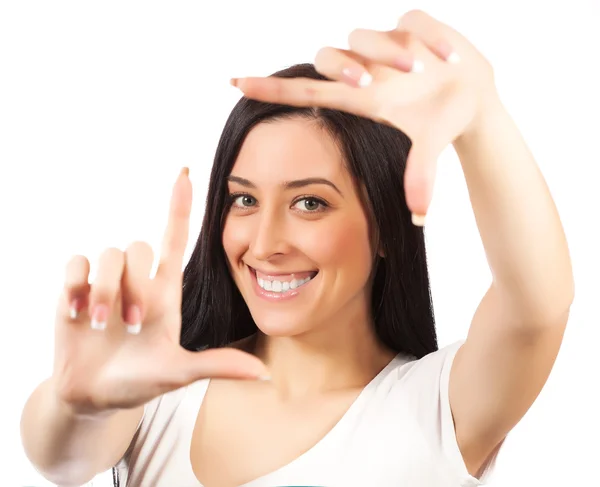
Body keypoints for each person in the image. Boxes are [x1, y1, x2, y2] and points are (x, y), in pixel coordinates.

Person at [20, 9, 574, 487]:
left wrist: (481, 120)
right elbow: (63, 460)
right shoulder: (158, 393)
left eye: (309, 203)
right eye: (243, 201)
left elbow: (536, 308)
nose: (264, 244)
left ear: (383, 226)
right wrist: (76, 403)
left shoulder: (433, 408)